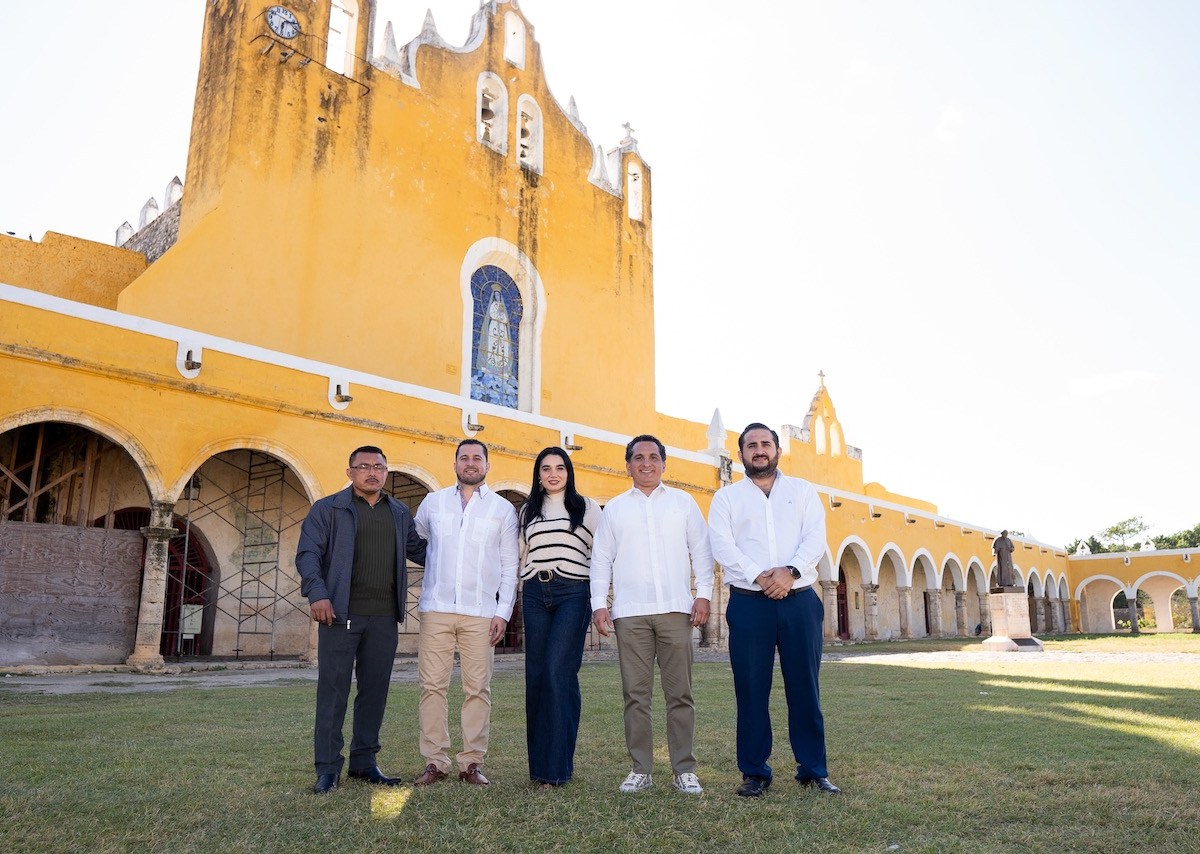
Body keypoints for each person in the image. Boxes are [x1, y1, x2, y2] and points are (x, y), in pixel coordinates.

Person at [708, 423, 840, 797]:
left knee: (805, 688)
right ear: (741, 455)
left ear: (778, 450)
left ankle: (814, 770)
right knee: (750, 690)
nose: (759, 450)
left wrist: (790, 571)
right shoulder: (727, 499)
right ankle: (754, 772)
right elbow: (722, 545)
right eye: (751, 445)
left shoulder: (802, 492)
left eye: (766, 443)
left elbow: (815, 538)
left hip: (799, 601)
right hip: (749, 604)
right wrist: (761, 576)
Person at [296, 445, 427, 794]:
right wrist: (318, 593)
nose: (372, 472)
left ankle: (364, 762)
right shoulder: (328, 509)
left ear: (386, 472)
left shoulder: (398, 512)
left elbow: (422, 551)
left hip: (384, 617)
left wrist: (471, 555)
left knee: (374, 691)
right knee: (333, 691)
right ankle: (327, 768)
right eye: (364, 466)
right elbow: (308, 554)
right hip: (340, 614)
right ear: (350, 471)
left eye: (379, 467)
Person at [590, 434, 714, 795]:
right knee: (635, 694)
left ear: (664, 462)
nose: (646, 463)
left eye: (653, 457)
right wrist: (599, 603)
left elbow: (701, 552)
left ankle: (684, 769)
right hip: (630, 614)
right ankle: (641, 768)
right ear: (627, 465)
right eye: (639, 457)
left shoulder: (683, 503)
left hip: (677, 610)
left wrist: (702, 595)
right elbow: (601, 561)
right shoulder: (614, 509)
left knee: (680, 694)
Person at [411, 439, 518, 786]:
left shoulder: (502, 510)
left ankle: (471, 761)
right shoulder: (432, 503)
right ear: (454, 463)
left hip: (480, 611)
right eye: (464, 458)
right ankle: (435, 761)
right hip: (436, 608)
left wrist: (502, 612)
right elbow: (418, 543)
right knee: (432, 687)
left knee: (477, 689)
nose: (470, 463)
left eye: (477, 458)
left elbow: (509, 565)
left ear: (488, 465)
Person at [518, 447, 602, 788]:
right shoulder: (526, 511)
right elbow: (520, 555)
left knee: (557, 672)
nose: (553, 473)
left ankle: (556, 768)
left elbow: (603, 556)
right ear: (538, 474)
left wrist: (600, 602)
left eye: (560, 467)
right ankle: (542, 769)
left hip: (573, 592)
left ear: (569, 472)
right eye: (546, 468)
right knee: (537, 677)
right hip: (535, 594)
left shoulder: (587, 508)